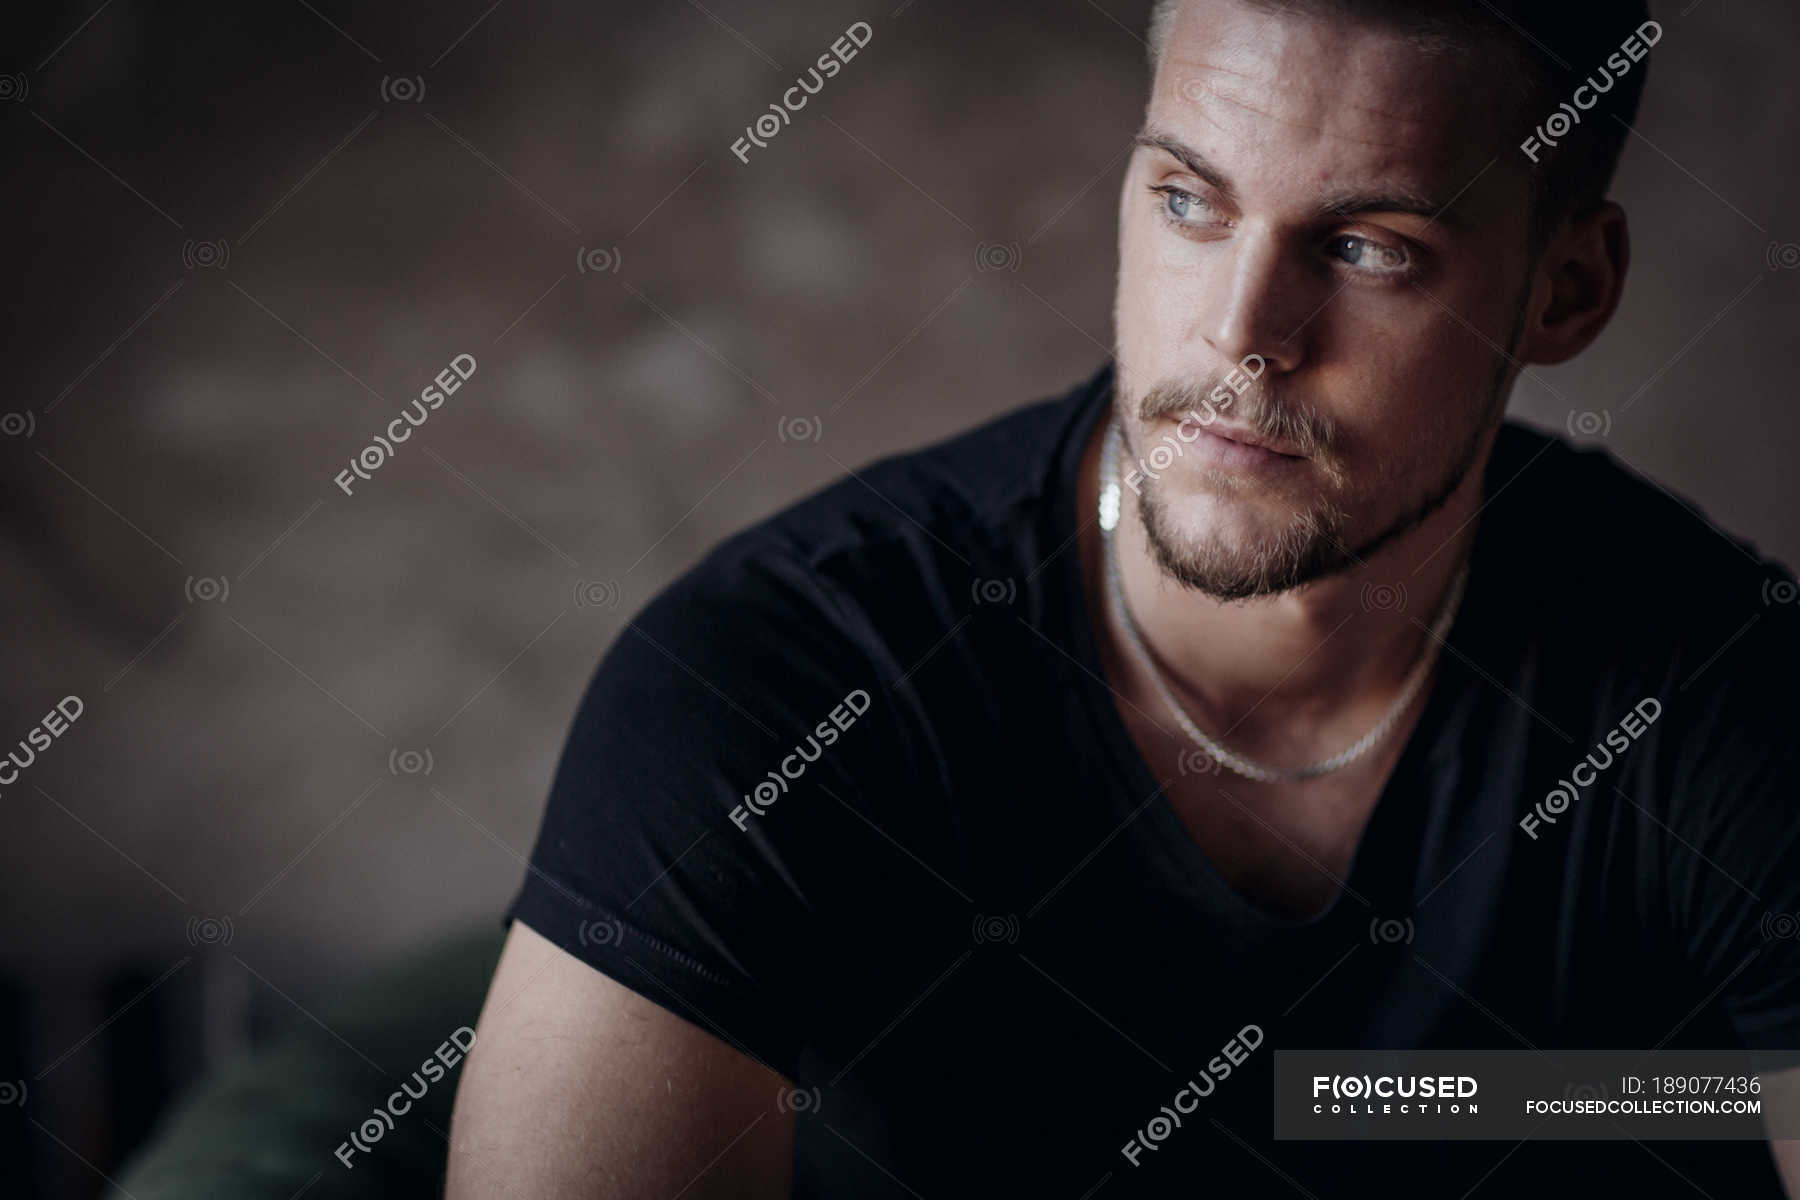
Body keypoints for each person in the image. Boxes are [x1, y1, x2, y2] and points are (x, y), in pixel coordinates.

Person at [447, 1, 1800, 1195]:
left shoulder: (1722, 691)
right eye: (1189, 203)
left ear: (1567, 289)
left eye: (1371, 248)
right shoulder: (774, 683)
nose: (1242, 332)